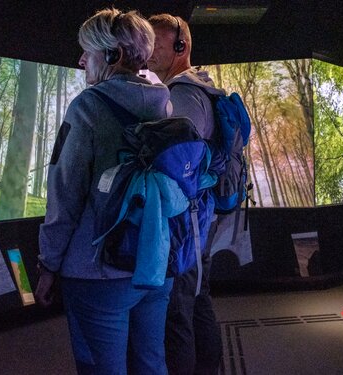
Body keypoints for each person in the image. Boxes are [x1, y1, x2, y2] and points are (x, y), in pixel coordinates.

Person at [34, 8, 173, 374]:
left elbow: (64, 196)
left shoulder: (88, 107)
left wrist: (48, 265)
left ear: (114, 55)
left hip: (98, 274)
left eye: (88, 51)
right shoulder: (165, 103)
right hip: (154, 263)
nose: (81, 59)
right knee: (151, 362)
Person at [147, 14, 224, 375]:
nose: (148, 53)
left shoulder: (185, 93)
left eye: (156, 46)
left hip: (186, 220)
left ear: (181, 47)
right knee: (196, 300)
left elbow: (180, 163)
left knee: (179, 309)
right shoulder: (192, 88)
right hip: (197, 217)